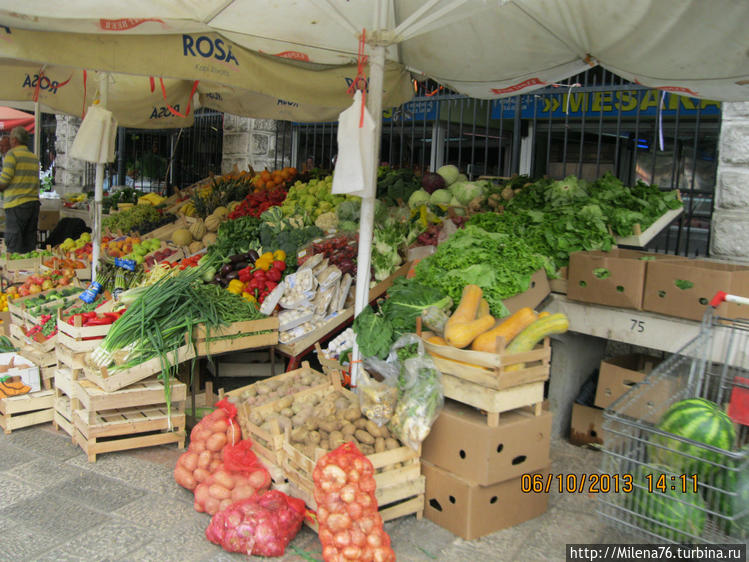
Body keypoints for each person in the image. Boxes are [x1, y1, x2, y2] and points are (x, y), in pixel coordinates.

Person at [0, 126, 40, 253]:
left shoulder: (12, 155)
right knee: (29, 245)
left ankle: (14, 270)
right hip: (33, 204)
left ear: (15, 140)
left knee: (14, 244)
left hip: (16, 204)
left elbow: (5, 180)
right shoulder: (33, 157)